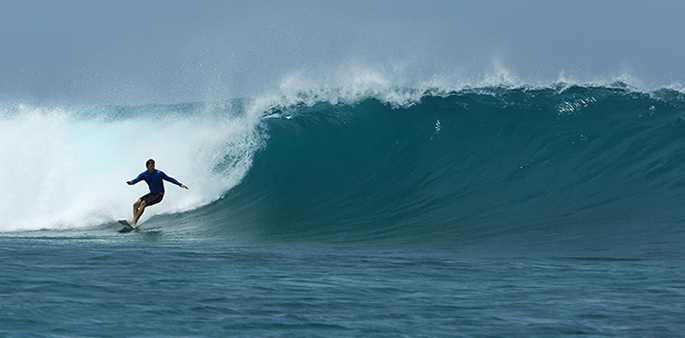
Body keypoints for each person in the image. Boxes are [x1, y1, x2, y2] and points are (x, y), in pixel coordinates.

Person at [125, 159, 188, 226]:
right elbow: (136, 180)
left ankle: (134, 222)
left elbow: (169, 178)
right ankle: (134, 222)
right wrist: (131, 182)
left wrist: (180, 184)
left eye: (154, 165)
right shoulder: (144, 175)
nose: (153, 167)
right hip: (152, 194)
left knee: (143, 203)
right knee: (135, 205)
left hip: (159, 195)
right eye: (151, 165)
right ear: (147, 166)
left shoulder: (159, 173)